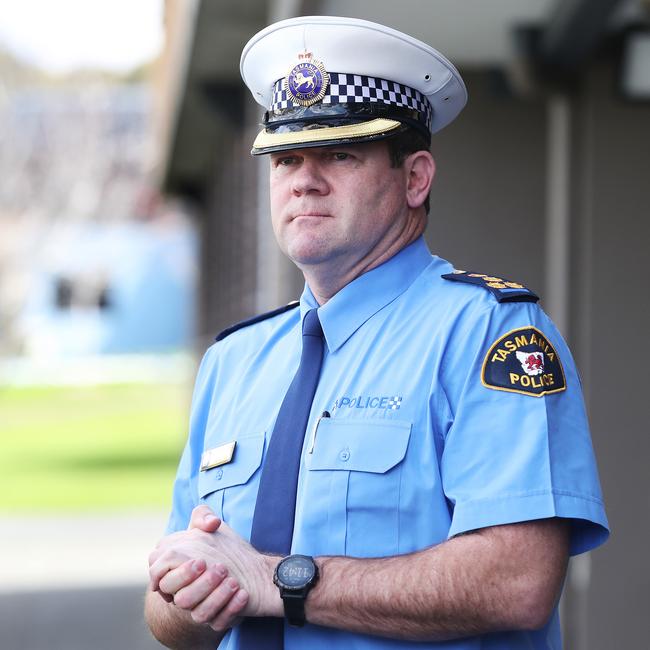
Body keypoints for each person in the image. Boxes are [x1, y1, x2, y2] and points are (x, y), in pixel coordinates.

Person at [145, 15, 609, 650]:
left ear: (415, 178)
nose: (304, 178)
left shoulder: (488, 335)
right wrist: (192, 590)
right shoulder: (234, 360)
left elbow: (518, 581)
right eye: (286, 158)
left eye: (339, 153)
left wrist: (280, 583)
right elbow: (171, 619)